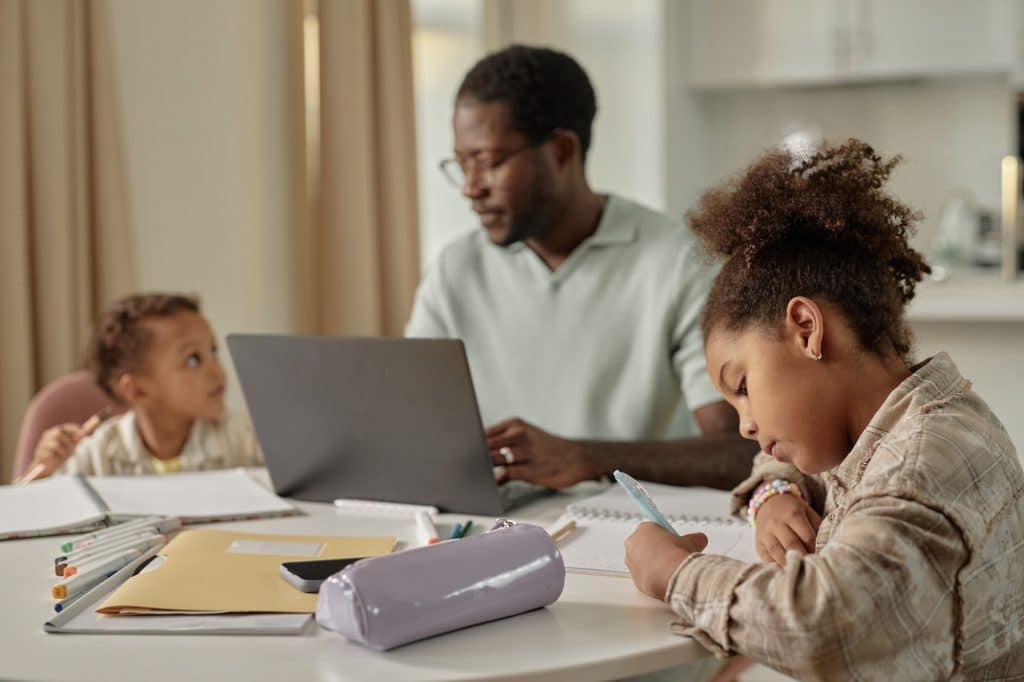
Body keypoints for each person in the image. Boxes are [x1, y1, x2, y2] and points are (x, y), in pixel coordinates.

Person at [623, 139, 1024, 679]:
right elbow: (786, 461)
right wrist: (775, 492)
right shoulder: (895, 420)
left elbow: (823, 622)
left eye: (743, 386)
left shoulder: (922, 464)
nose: (745, 426)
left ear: (807, 330)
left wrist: (675, 573)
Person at [406, 45, 756, 491]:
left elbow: (739, 451)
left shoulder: (677, 263)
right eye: (461, 165)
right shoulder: (454, 270)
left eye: (489, 163)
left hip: (629, 529)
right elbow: (410, 426)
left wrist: (583, 458)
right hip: (494, 525)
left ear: (561, 152)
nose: (471, 188)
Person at [27, 293, 262, 477]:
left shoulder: (245, 439)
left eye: (213, 352)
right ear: (136, 389)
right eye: (193, 359)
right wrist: (42, 472)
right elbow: (29, 515)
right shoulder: (98, 452)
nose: (217, 370)